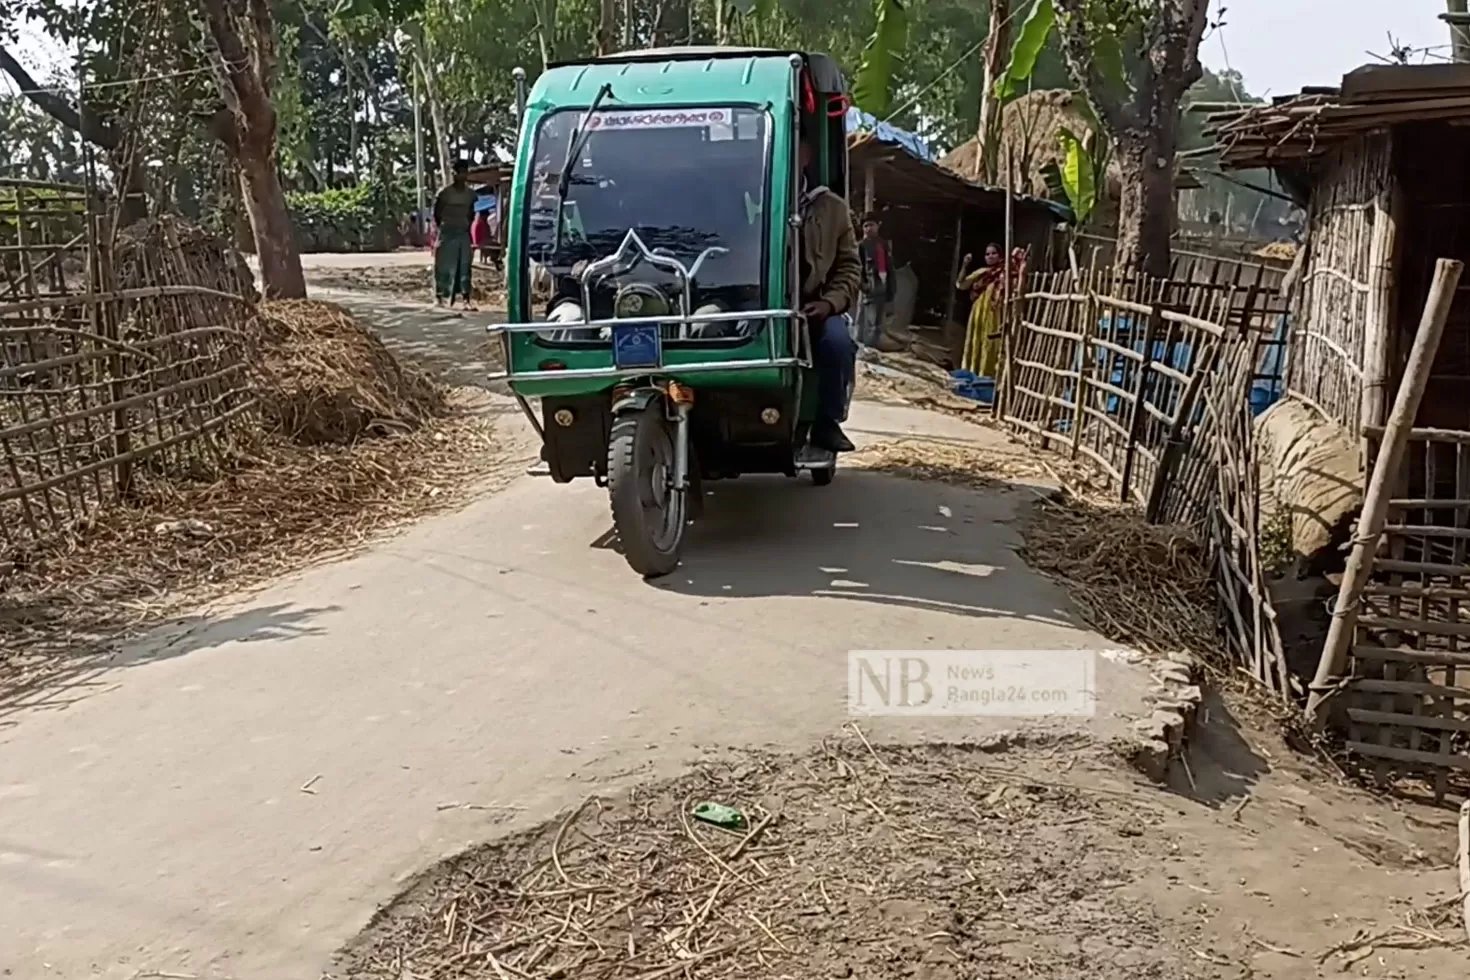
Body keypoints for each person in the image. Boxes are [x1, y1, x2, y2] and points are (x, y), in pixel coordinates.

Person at [797, 135, 862, 454]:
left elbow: (850, 267)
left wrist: (829, 303)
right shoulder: (742, 196)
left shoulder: (832, 208)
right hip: (754, 304)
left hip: (814, 304)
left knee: (836, 344)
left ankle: (826, 421)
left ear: (805, 155)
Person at [956, 242, 1025, 379]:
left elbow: (1017, 284)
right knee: (976, 341)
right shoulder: (981, 273)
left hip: (995, 314)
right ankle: (972, 373)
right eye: (987, 254)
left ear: (1000, 255)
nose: (990, 256)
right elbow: (961, 284)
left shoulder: (1005, 273)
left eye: (994, 253)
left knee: (991, 344)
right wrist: (964, 265)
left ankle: (988, 375)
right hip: (978, 313)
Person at [433, 160, 478, 310]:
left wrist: (464, 226)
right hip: (447, 233)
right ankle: (439, 296)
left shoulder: (470, 195)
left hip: (462, 232)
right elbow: (436, 213)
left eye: (463, 172)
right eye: (457, 173)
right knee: (442, 265)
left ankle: (466, 299)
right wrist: (445, 227)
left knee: (465, 266)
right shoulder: (444, 194)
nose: (460, 176)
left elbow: (471, 213)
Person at [857, 212, 895, 348]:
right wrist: (864, 286)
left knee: (879, 322)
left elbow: (890, 268)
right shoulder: (861, 246)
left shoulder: (883, 244)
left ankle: (873, 348)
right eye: (866, 226)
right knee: (868, 321)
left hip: (883, 286)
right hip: (869, 288)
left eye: (871, 225)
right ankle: (864, 348)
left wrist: (891, 289)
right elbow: (857, 269)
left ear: (877, 226)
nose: (869, 228)